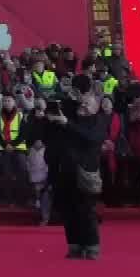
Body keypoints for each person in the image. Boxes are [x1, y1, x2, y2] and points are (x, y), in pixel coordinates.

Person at [36, 96, 103, 259]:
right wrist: (48, 120)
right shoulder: (69, 120)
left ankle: (92, 246)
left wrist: (67, 123)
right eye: (82, 103)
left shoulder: (97, 122)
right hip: (64, 172)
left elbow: (90, 138)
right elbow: (52, 140)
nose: (83, 106)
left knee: (86, 212)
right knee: (68, 212)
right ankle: (74, 246)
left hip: (85, 174)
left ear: (95, 108)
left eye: (87, 103)